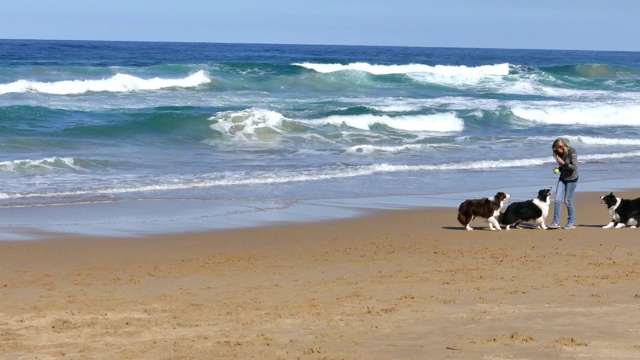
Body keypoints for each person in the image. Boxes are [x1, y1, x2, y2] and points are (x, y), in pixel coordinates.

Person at [548, 138, 578, 229]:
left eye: (557, 150)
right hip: (562, 178)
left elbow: (573, 167)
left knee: (567, 200)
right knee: (557, 199)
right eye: (555, 151)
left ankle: (571, 222)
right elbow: (563, 166)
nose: (557, 152)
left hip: (572, 179)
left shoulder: (572, 152)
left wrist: (563, 163)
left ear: (562, 147)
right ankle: (555, 222)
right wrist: (558, 169)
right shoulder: (559, 154)